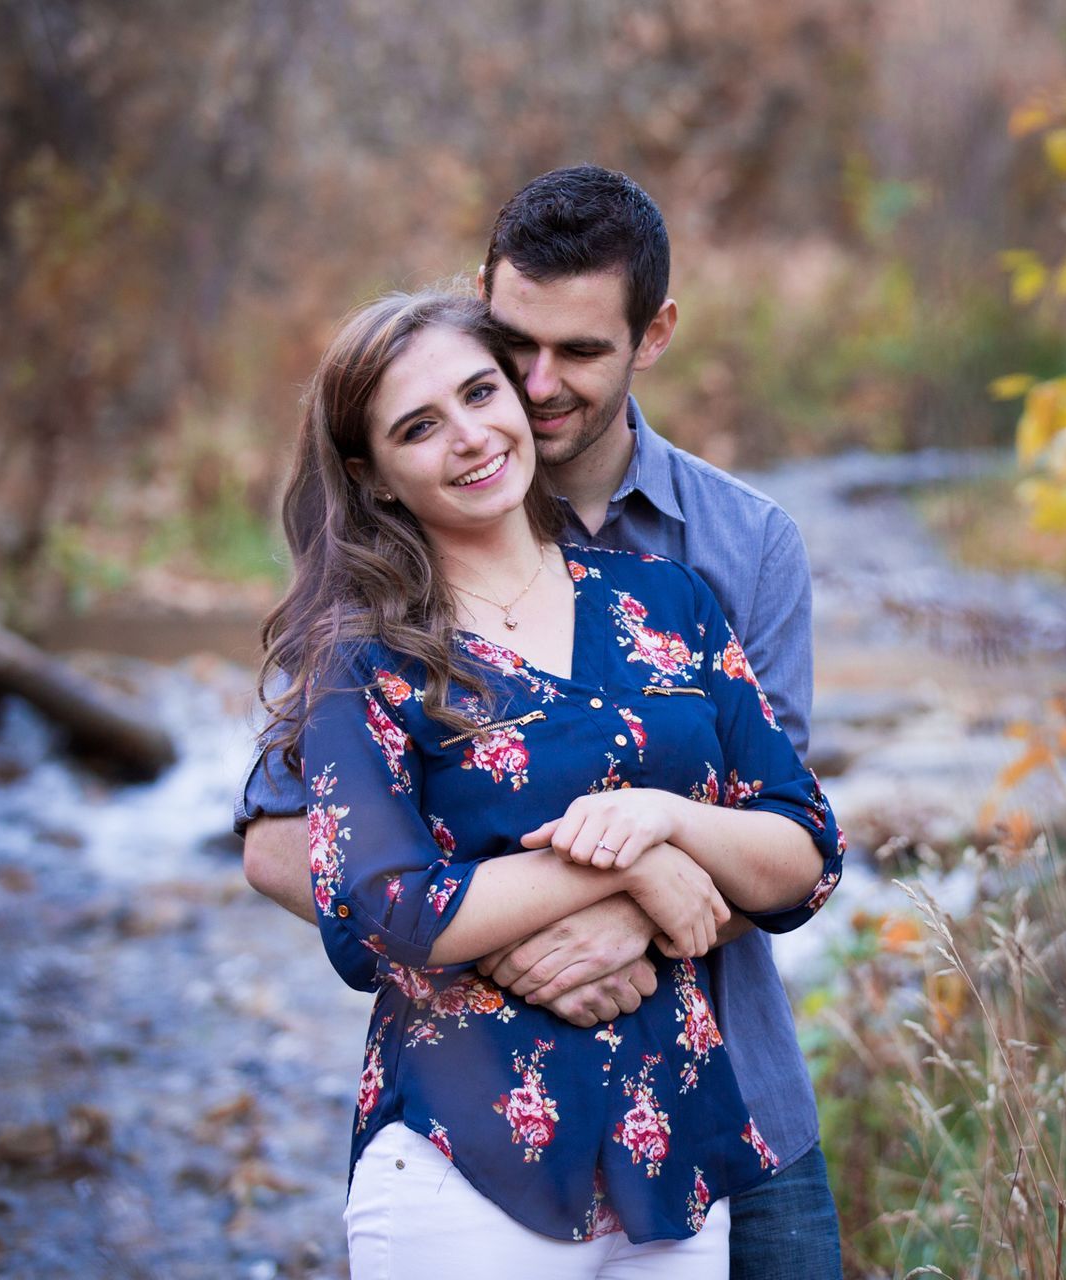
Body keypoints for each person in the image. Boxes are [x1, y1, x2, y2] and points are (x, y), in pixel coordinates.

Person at [238, 166, 846, 1275]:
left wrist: (649, 871)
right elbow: (310, 852)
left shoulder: (717, 560)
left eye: (579, 353)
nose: (532, 387)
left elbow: (792, 836)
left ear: (652, 334)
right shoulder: (373, 617)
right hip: (481, 1130)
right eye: (514, 348)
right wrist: (567, 907)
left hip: (715, 1106)